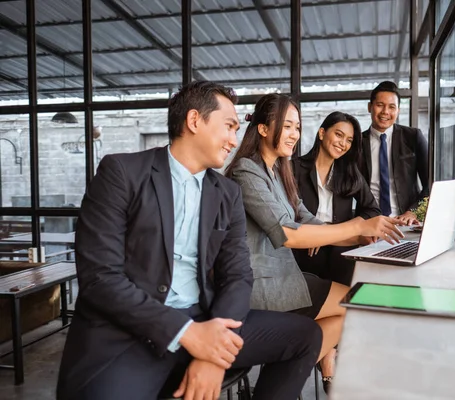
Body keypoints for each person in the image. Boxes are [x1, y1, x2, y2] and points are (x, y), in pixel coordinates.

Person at [56, 81, 322, 400]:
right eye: (229, 127)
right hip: (132, 329)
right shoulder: (122, 173)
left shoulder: (227, 193)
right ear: (194, 121)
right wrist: (188, 334)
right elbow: (101, 278)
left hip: (206, 317)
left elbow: (238, 276)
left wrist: (213, 347)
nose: (233, 140)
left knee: (305, 336)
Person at [225, 94, 403, 393]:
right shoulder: (246, 171)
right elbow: (288, 234)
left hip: (286, 279)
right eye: (287, 126)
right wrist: (357, 225)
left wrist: (367, 233)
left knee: (348, 311)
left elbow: (308, 221)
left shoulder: (279, 173)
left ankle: (282, 376)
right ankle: (284, 376)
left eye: (297, 127)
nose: (294, 134)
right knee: (357, 304)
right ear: (264, 129)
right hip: (262, 286)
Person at [292, 111, 380, 286]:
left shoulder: (349, 172)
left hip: (340, 252)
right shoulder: (293, 169)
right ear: (322, 133)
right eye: (339, 135)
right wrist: (319, 233)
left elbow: (373, 210)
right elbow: (288, 215)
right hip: (303, 250)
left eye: (349, 140)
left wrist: (329, 232)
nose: (343, 143)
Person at [360, 80, 429, 225]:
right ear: (369, 107)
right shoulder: (357, 143)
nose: (385, 111)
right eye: (380, 105)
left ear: (398, 111)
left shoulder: (413, 137)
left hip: (407, 222)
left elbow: (431, 183)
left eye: (392, 107)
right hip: (370, 224)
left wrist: (413, 211)